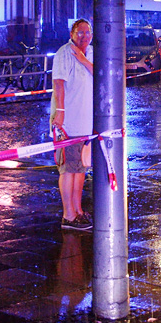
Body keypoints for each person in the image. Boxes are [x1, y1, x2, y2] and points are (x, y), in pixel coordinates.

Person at [51, 19, 94, 231]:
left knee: (81, 169)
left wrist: (84, 60)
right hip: (69, 122)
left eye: (88, 32)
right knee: (68, 169)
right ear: (72, 33)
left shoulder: (92, 53)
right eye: (80, 33)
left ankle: (78, 210)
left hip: (86, 123)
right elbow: (59, 84)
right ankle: (68, 215)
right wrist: (60, 114)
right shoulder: (63, 53)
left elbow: (101, 76)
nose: (84, 36)